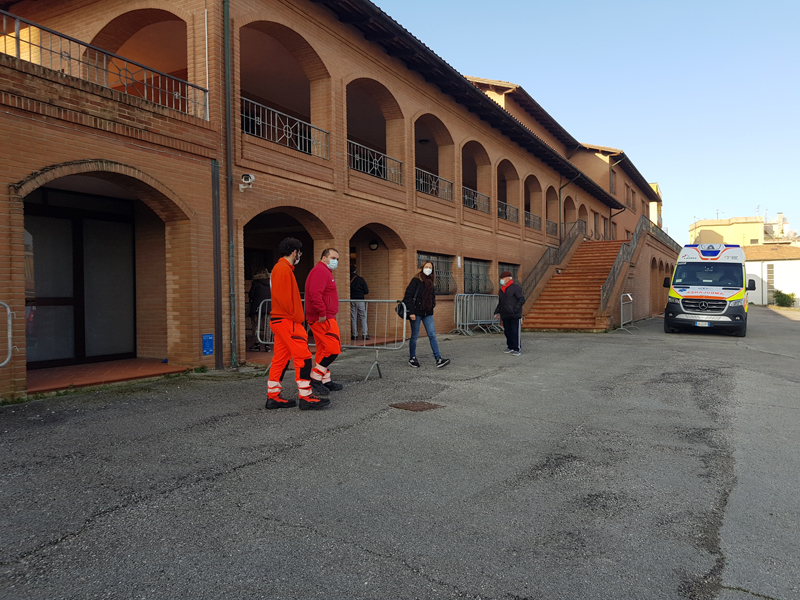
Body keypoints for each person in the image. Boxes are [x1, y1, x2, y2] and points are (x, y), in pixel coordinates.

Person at [266, 237, 330, 410]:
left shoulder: (281, 268)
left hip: (281, 320)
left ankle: (273, 396)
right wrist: (295, 317)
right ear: (294, 252)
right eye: (299, 252)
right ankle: (306, 396)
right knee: (303, 358)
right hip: (288, 321)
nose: (299, 255)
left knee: (281, 359)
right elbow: (284, 298)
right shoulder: (283, 269)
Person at [305, 248, 343, 395]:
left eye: (337, 259)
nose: (335, 261)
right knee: (334, 349)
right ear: (324, 258)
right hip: (323, 318)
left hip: (324, 316)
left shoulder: (323, 271)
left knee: (324, 349)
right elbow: (315, 294)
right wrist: (322, 313)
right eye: (333, 258)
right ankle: (316, 377)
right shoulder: (321, 271)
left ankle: (325, 380)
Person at [403, 261, 450, 368]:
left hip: (427, 312)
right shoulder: (416, 280)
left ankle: (438, 359)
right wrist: (411, 312)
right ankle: (412, 358)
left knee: (432, 334)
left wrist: (432, 304)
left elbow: (432, 296)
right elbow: (408, 296)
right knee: (415, 336)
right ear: (422, 268)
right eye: (426, 267)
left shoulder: (431, 282)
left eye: (430, 267)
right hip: (416, 312)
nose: (428, 269)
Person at [494, 270, 526, 356]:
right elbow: (501, 302)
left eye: (503, 278)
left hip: (514, 315)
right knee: (507, 332)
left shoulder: (515, 288)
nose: (501, 280)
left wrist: (515, 309)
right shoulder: (501, 290)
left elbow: (521, 299)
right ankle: (510, 346)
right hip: (505, 314)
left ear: (508, 278)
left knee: (515, 332)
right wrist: (497, 312)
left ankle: (517, 348)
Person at [248, 268, 271, 352]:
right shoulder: (271, 282)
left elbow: (251, 294)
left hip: (257, 307)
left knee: (255, 325)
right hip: (268, 306)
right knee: (267, 326)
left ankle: (256, 344)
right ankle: (267, 344)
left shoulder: (256, 282)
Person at [349, 264, 370, 340]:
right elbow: (366, 291)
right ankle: (365, 334)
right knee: (363, 317)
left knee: (353, 317)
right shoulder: (361, 279)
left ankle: (354, 335)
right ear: (355, 270)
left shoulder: (348, 279)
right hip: (360, 300)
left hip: (351, 300)